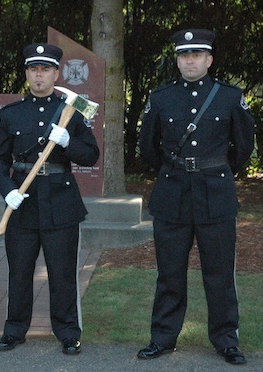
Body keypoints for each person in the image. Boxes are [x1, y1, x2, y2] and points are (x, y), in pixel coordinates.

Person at [137, 29, 254, 365]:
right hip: (171, 193)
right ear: (177, 60)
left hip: (215, 193)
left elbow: (243, 148)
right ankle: (162, 338)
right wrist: (177, 169)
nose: (190, 60)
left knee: (219, 274)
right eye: (184, 55)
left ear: (209, 60)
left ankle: (226, 340)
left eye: (197, 55)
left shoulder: (230, 97)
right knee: (170, 273)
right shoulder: (161, 98)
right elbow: (148, 148)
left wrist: (214, 167)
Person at [0, 43, 99, 354]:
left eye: (46, 70)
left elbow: (91, 155)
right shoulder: (11, 114)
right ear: (26, 74)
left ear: (56, 73)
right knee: (20, 270)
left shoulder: (72, 111)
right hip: (22, 199)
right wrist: (7, 190)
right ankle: (14, 330)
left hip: (61, 200)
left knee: (62, 271)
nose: (40, 75)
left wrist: (67, 142)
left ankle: (67, 332)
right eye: (34, 70)